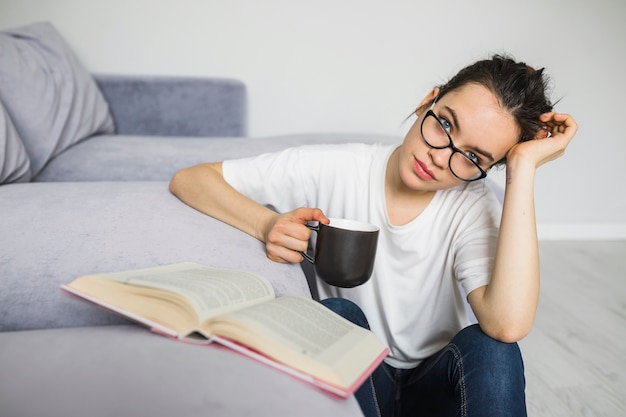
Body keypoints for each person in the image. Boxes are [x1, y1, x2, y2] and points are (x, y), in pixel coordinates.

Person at [169, 54, 578, 416]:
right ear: (426, 103)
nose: (441, 156)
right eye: (445, 124)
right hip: (361, 377)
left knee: (493, 350)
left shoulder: (472, 206)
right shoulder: (337, 166)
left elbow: (506, 325)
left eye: (472, 157)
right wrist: (264, 223)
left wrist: (523, 166)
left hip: (436, 384)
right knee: (335, 317)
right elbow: (192, 179)